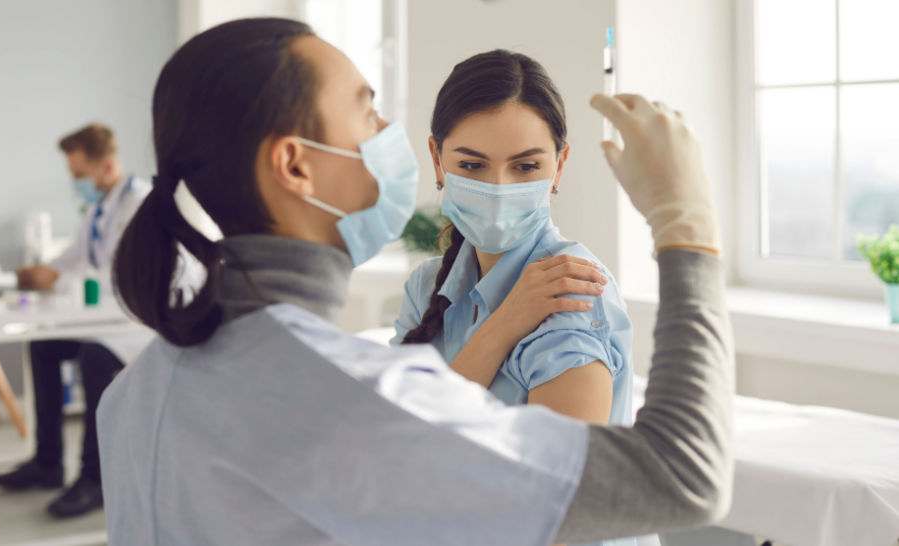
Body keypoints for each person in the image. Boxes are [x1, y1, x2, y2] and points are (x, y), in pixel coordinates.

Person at [98, 18, 732, 545]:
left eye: (525, 165)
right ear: (295, 164)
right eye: (367, 114)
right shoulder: (346, 391)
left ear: (556, 165)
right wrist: (688, 232)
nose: (385, 138)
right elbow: (681, 477)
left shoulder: (134, 392)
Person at [391, 48, 649, 546]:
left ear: (559, 165)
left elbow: (552, 510)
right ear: (437, 159)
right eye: (472, 164)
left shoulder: (572, 294)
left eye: (526, 165)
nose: (498, 187)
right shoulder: (427, 288)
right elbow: (399, 450)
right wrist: (503, 324)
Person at [0, 124, 152, 518]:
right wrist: (43, 271)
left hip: (137, 326)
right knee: (43, 346)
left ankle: (95, 480)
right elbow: (76, 255)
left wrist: (61, 279)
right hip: (105, 320)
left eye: (79, 175)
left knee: (94, 358)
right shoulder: (99, 207)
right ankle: (47, 463)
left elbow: (121, 274)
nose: (76, 183)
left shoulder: (139, 204)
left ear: (106, 165)